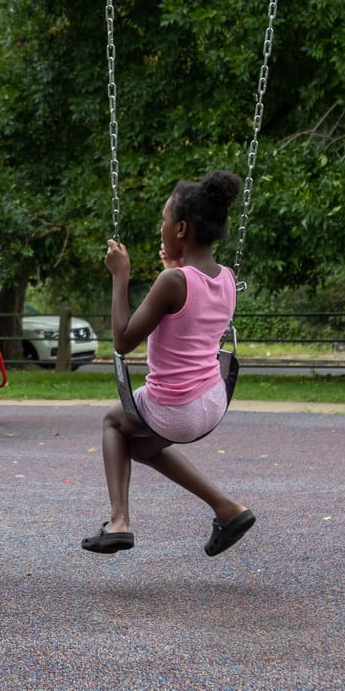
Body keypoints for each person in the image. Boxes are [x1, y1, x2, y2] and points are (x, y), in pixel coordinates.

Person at [83, 171, 255, 557]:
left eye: (163, 220)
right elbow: (186, 315)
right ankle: (227, 509)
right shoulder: (226, 278)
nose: (160, 228)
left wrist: (120, 276)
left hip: (175, 408)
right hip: (212, 402)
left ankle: (118, 521)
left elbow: (124, 341)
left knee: (113, 421)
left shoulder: (173, 281)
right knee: (142, 449)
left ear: (180, 228)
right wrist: (169, 270)